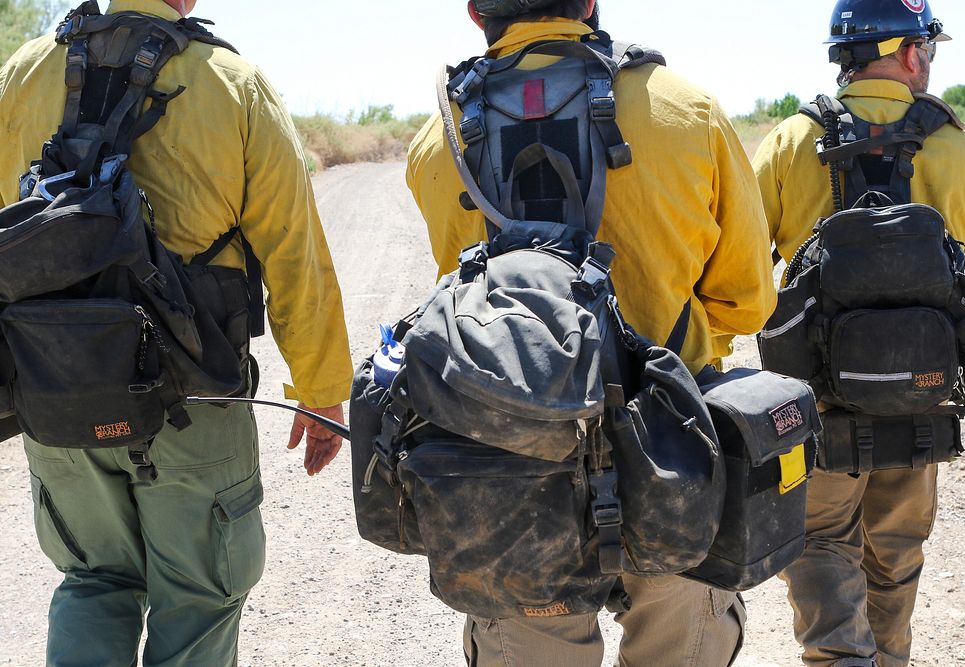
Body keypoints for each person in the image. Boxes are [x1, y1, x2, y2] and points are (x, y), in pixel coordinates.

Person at [406, 1, 776, 664]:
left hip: (507, 476)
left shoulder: (438, 142)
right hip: (672, 459)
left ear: (475, 11)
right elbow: (747, 304)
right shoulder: (686, 110)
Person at [0, 0, 354, 664]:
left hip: (55, 387)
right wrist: (322, 386)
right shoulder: (232, 82)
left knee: (93, 581)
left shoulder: (24, 72)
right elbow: (292, 249)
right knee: (198, 599)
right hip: (195, 392)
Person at [752, 2, 965, 666]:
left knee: (821, 543)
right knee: (893, 551)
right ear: (912, 53)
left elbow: (744, 277)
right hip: (919, 398)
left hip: (817, 408)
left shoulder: (788, 141)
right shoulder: (958, 148)